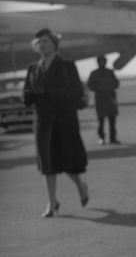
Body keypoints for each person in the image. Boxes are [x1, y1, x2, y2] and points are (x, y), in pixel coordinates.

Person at [23, 28, 89, 217]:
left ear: (54, 44)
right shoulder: (32, 68)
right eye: (39, 42)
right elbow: (27, 94)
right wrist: (29, 96)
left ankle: (80, 186)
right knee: (47, 163)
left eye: (45, 41)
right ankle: (52, 202)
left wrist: (48, 93)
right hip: (43, 121)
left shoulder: (67, 66)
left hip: (64, 120)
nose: (42, 44)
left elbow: (76, 92)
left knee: (67, 161)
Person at [87, 55, 120, 145]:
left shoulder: (110, 72)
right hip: (100, 100)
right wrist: (99, 88)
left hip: (110, 99)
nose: (102, 63)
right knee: (101, 122)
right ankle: (101, 138)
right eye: (100, 61)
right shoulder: (94, 73)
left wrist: (109, 88)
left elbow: (116, 83)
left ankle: (113, 139)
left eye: (103, 61)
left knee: (112, 122)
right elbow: (90, 85)